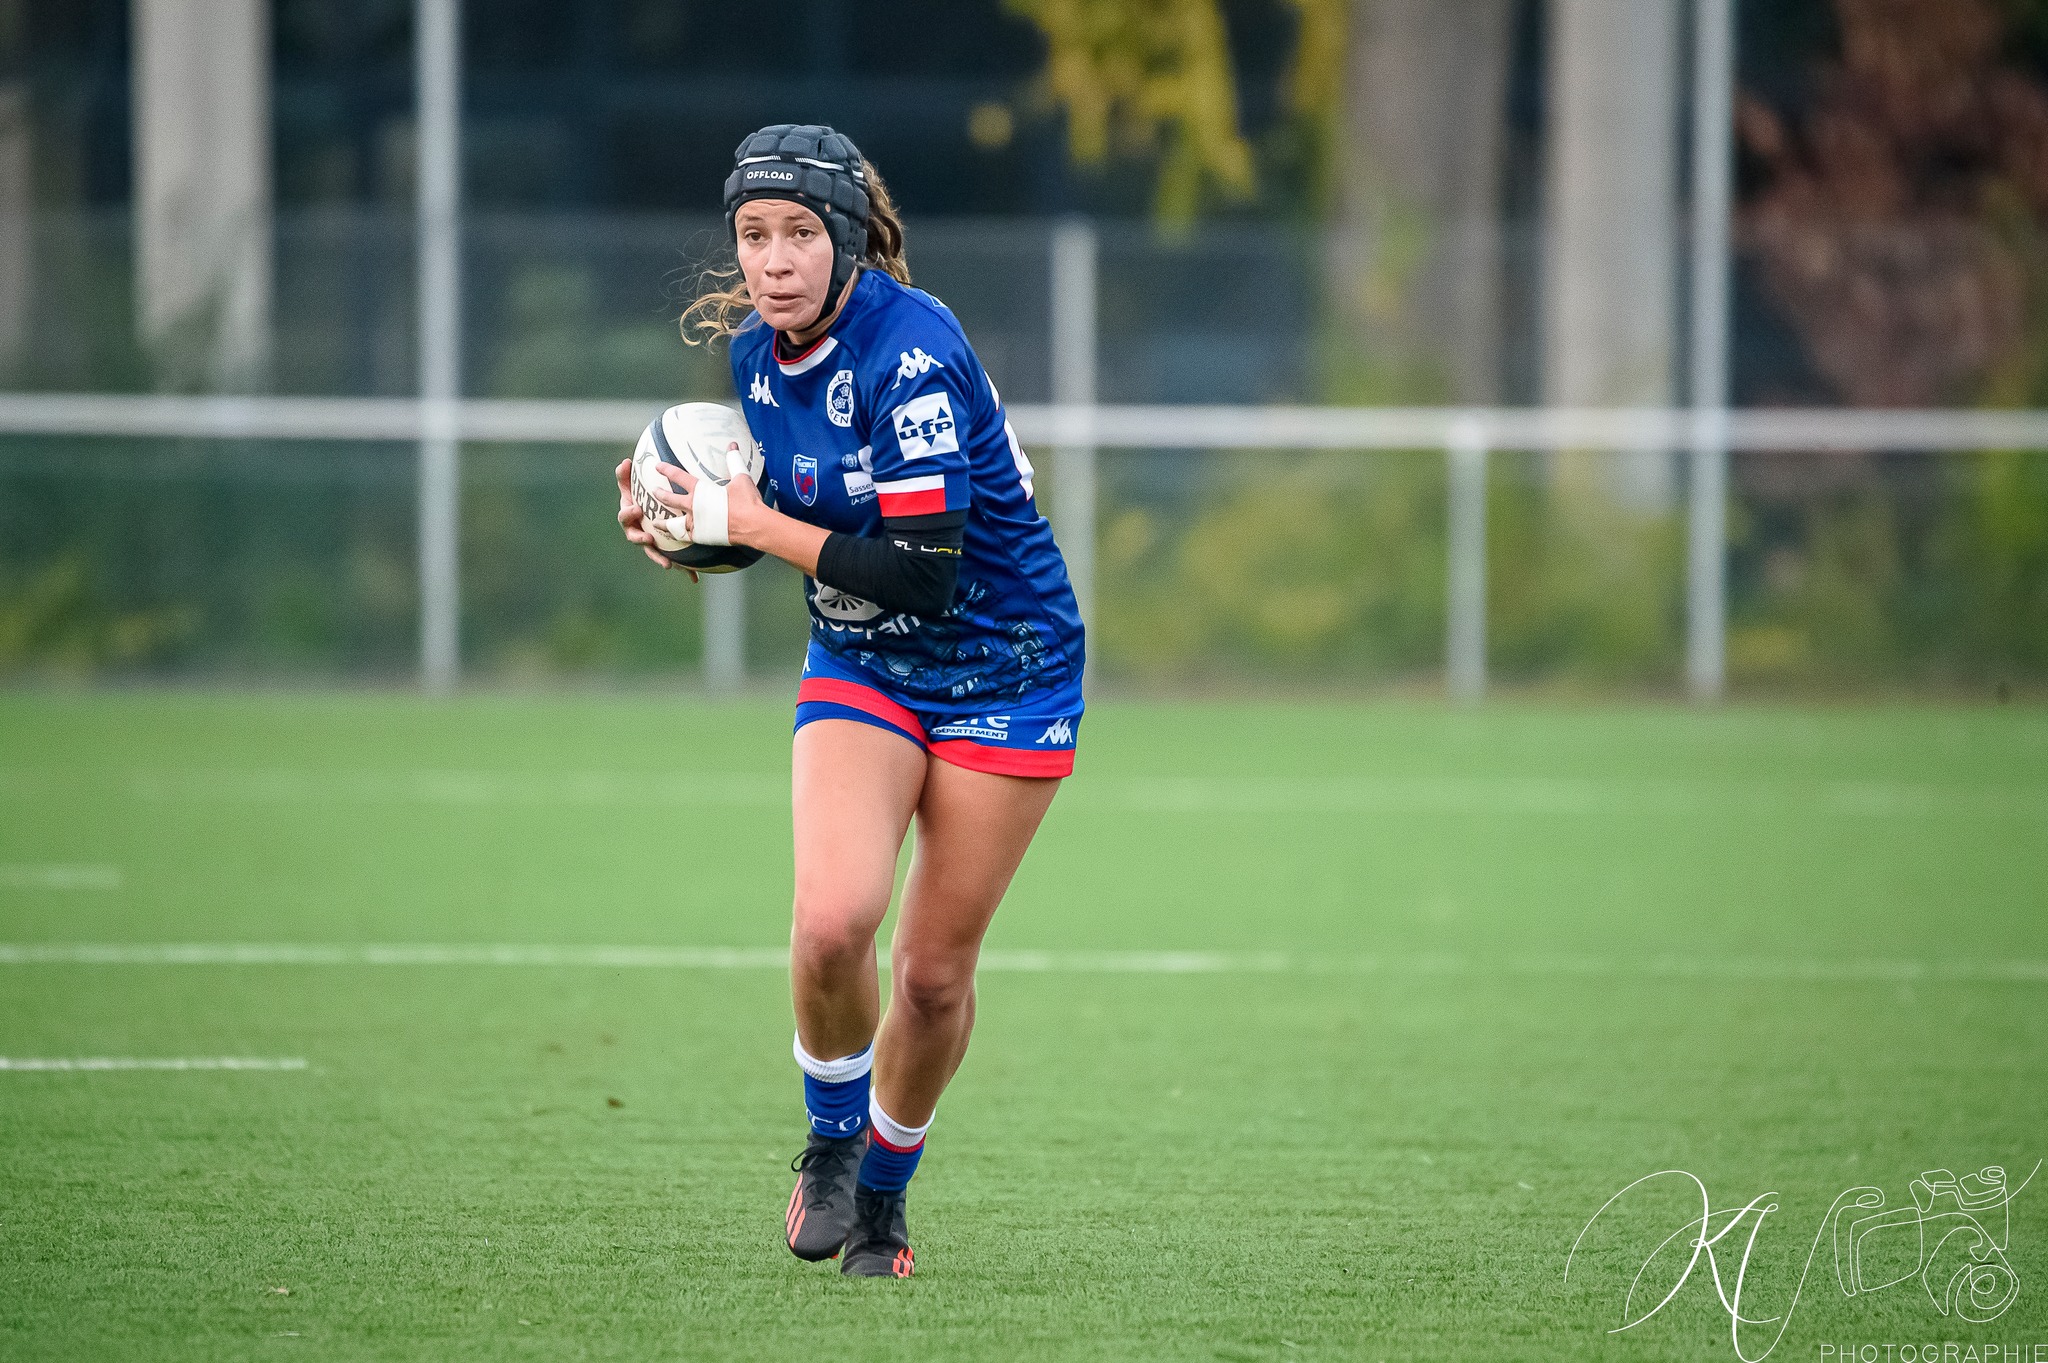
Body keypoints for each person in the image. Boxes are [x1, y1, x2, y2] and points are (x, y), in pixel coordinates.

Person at [613, 124, 1085, 1279]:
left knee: (929, 977)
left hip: (1006, 671)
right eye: (752, 236)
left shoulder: (911, 351)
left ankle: (882, 1193)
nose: (773, 259)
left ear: (847, 239)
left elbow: (922, 563)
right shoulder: (751, 361)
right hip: (865, 665)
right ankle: (829, 1141)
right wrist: (670, 514)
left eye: (797, 234)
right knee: (831, 924)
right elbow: (768, 496)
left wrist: (752, 527)